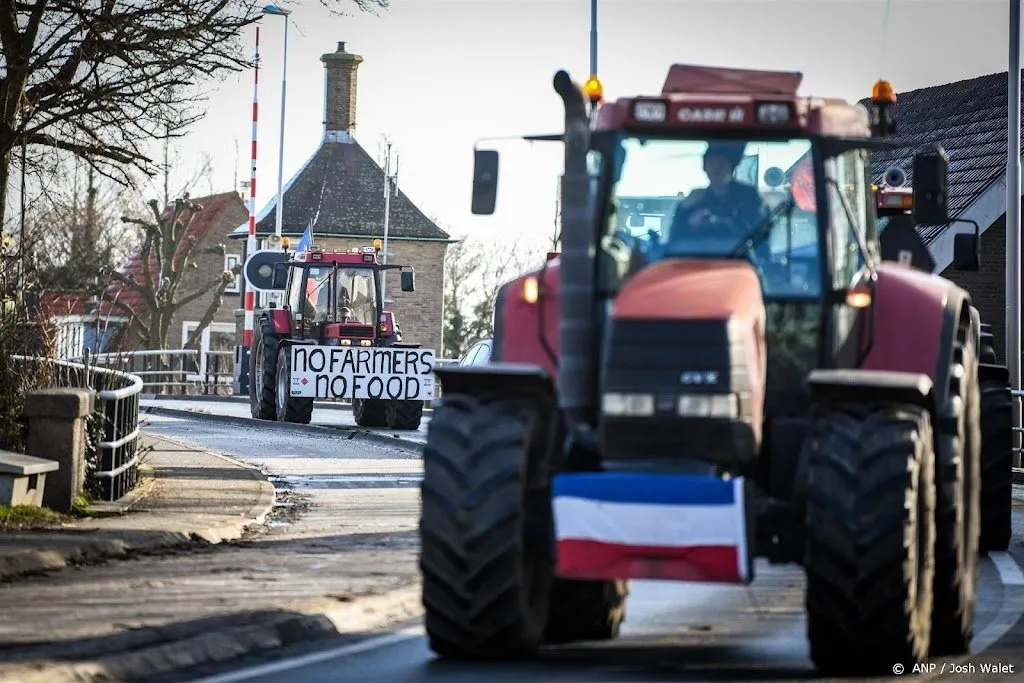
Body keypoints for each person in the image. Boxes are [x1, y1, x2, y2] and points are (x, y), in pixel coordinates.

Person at [668, 141, 768, 241]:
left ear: (731, 167)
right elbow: (674, 239)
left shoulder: (748, 196)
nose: (716, 168)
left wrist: (715, 223)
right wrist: (683, 209)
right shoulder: (695, 199)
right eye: (712, 163)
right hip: (699, 255)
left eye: (721, 163)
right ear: (705, 168)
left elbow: (755, 232)